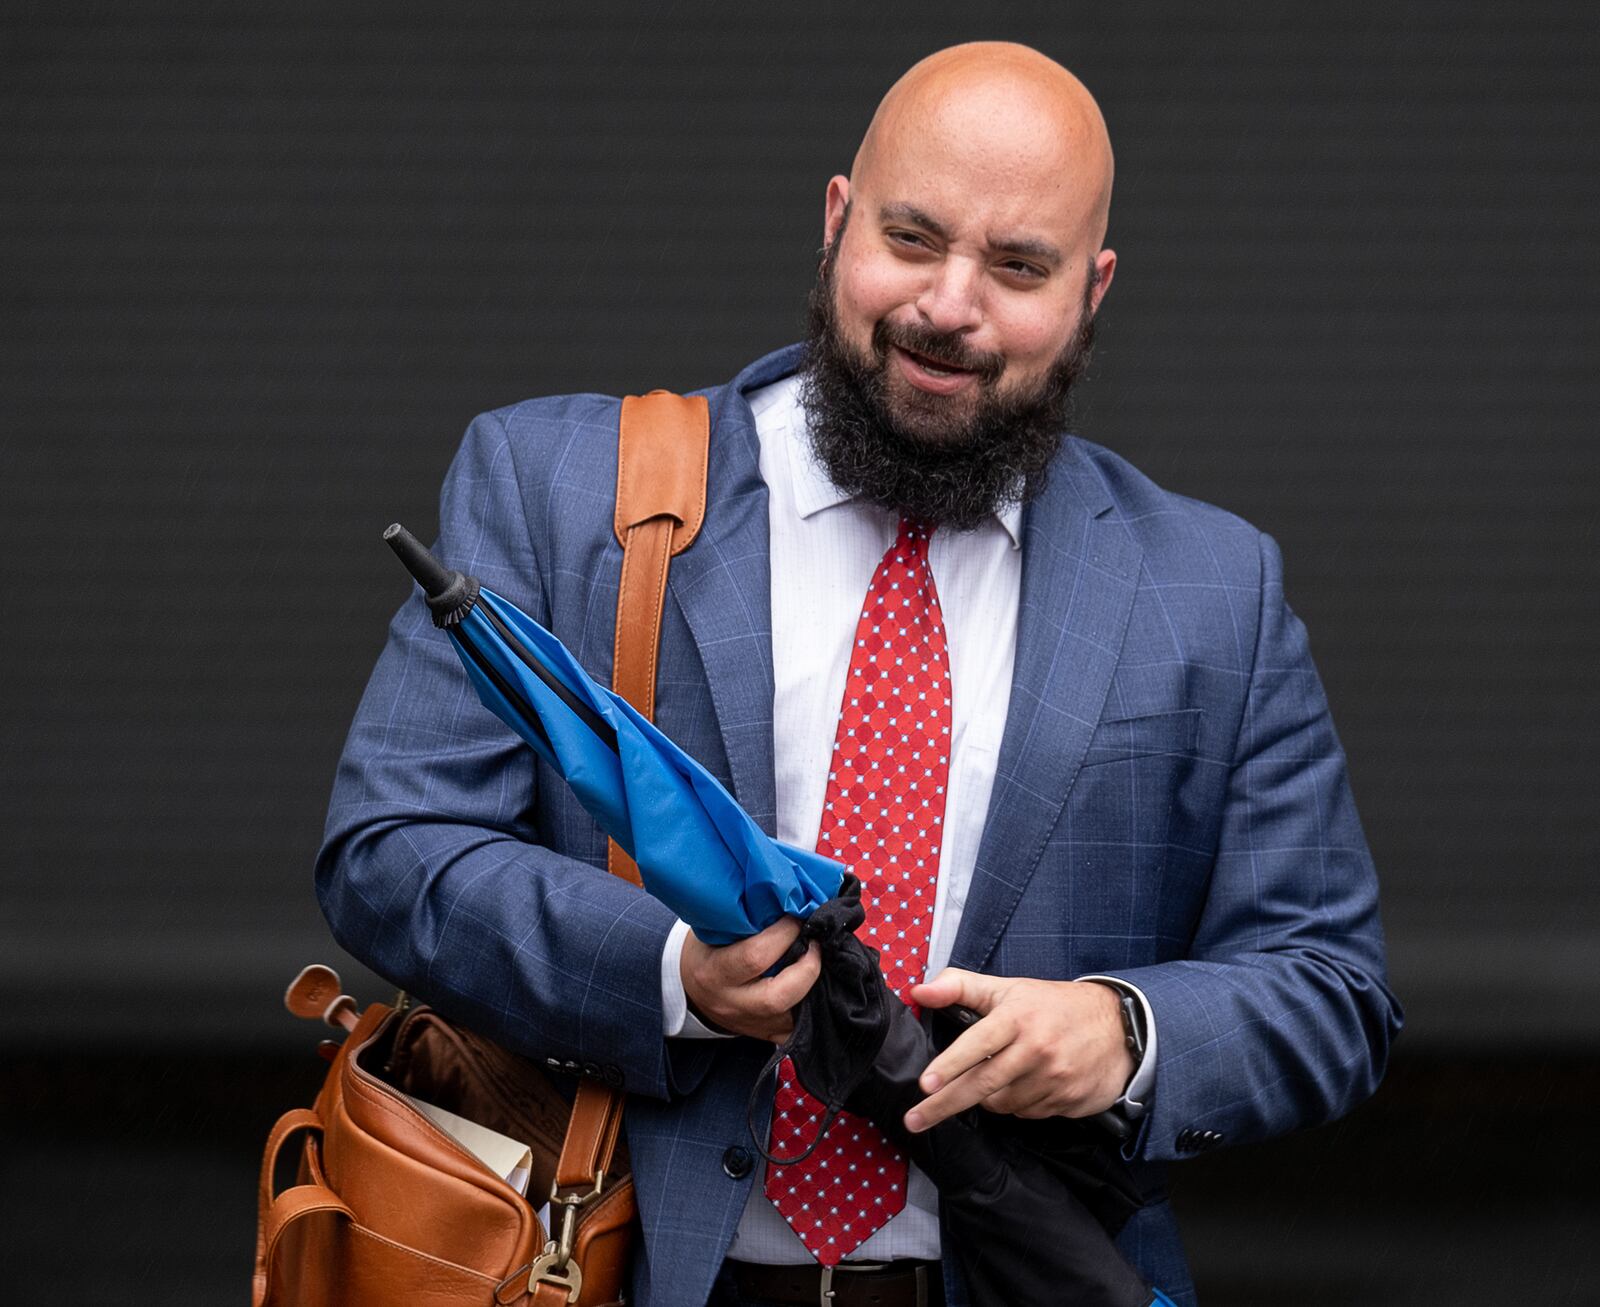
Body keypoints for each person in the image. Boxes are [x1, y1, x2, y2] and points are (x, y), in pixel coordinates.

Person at [317, 41, 1401, 1307]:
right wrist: (673, 973)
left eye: (1017, 266)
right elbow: (390, 849)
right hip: (611, 1271)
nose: (948, 303)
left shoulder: (1216, 588)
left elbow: (1331, 988)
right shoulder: (558, 489)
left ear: (1092, 291)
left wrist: (1127, 1032)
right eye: (912, 237)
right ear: (837, 222)